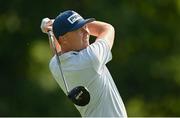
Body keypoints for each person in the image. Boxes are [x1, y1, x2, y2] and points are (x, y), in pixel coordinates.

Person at [40, 10, 127, 117]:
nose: (86, 32)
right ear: (63, 39)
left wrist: (52, 31)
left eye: (85, 26)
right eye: (78, 29)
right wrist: (53, 27)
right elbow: (107, 29)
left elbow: (57, 52)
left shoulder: (55, 66)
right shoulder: (91, 58)